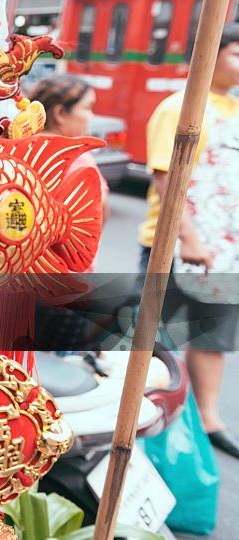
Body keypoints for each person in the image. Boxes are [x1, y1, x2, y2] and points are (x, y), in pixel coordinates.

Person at [139, 22, 239, 458]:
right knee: (146, 337)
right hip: (178, 246)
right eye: (236, 53)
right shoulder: (179, 106)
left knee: (213, 336)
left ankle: (210, 419)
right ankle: (137, 417)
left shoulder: (234, 109)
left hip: (225, 248)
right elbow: (166, 178)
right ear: (209, 55)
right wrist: (190, 237)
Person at [30, 75, 111, 266]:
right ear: (60, 113)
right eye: (87, 108)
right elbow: (100, 210)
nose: (91, 116)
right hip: (64, 269)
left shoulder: (21, 146)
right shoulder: (74, 155)